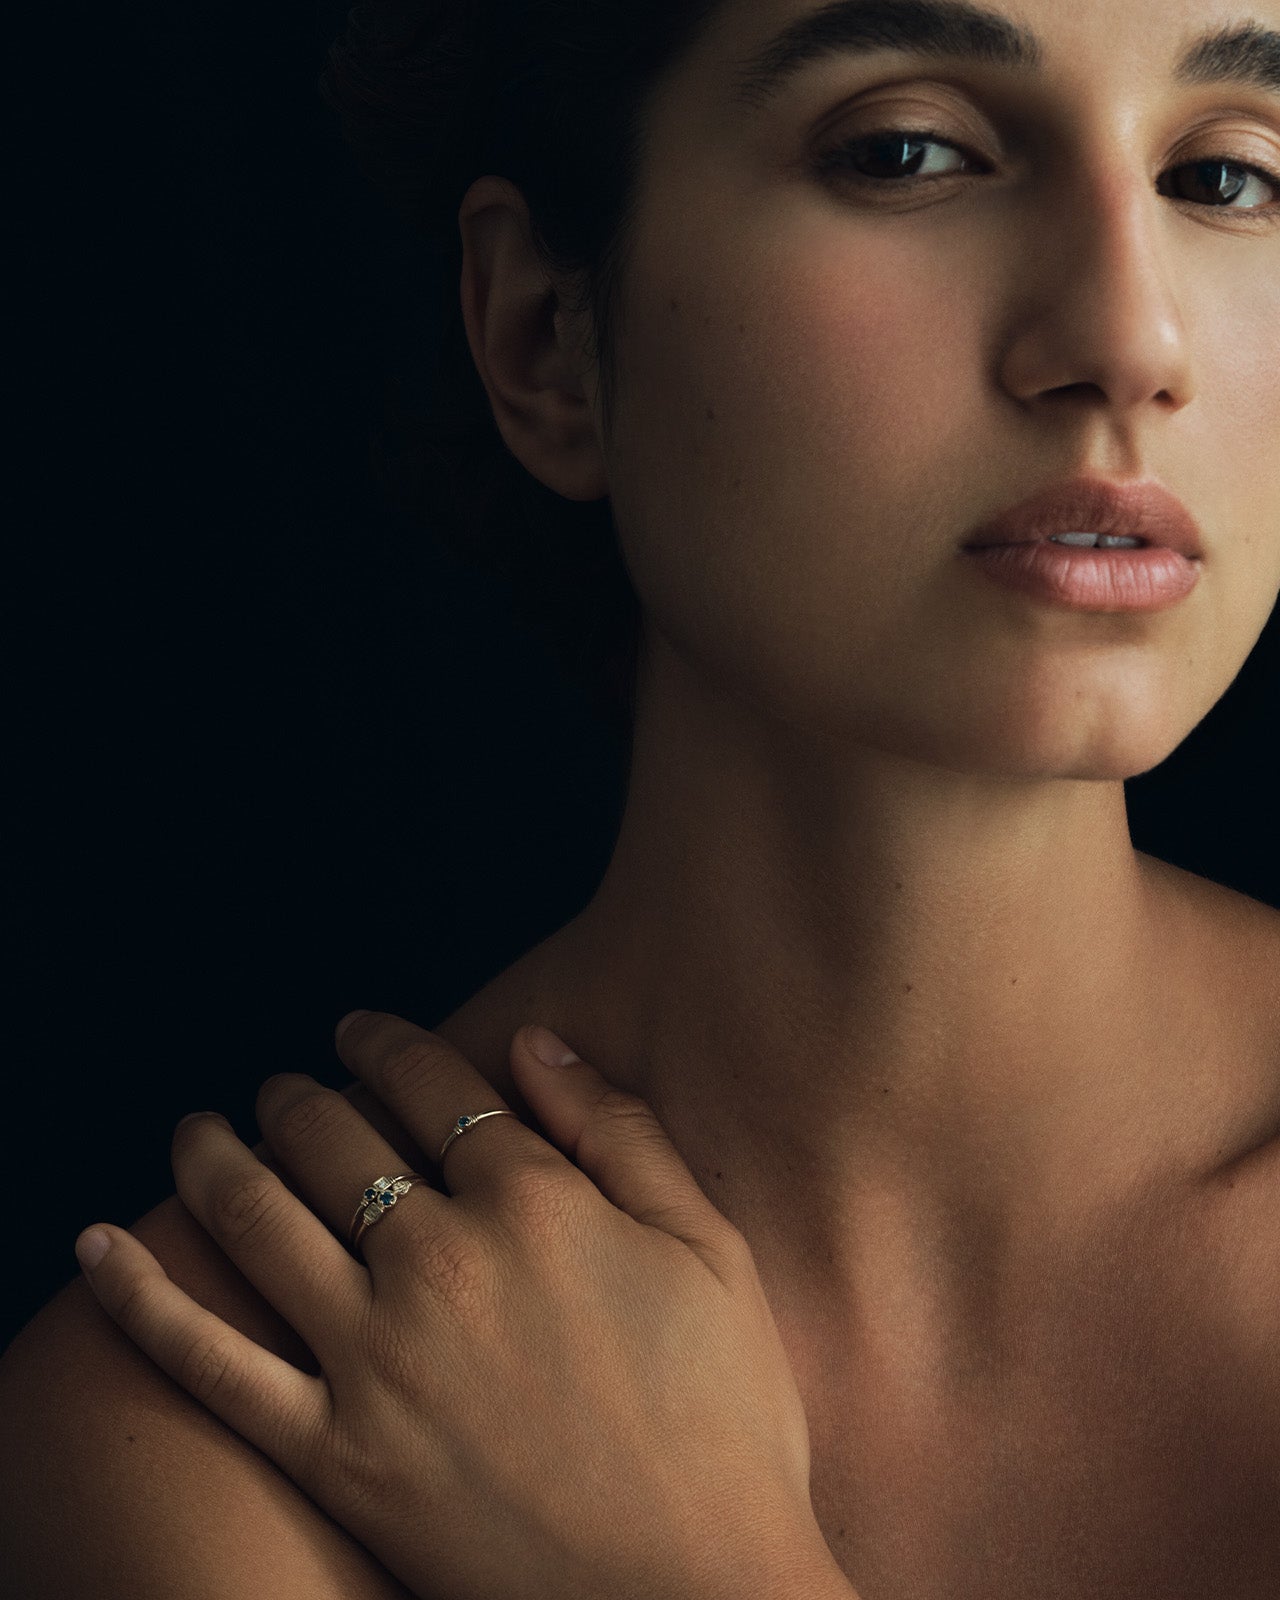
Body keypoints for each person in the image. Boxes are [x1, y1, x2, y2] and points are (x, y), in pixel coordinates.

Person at [3, 0, 1280, 1594]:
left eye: (1227, 178)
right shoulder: (219, 1426)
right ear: (546, 337)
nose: (1130, 340)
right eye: (907, 152)